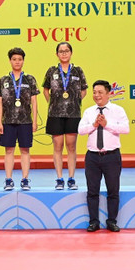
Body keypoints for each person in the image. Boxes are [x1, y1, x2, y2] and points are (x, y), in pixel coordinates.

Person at [79, 80, 129, 233]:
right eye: (94, 92)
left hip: (111, 156)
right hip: (93, 157)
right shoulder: (89, 111)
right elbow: (81, 130)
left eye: (100, 92)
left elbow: (126, 129)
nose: (96, 95)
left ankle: (112, 221)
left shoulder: (118, 110)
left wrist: (106, 124)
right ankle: (94, 222)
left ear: (108, 94)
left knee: (113, 191)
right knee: (92, 191)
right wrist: (93, 125)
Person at [42, 42, 87, 190]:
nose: (64, 53)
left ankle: (72, 178)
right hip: (55, 114)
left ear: (71, 53)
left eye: (66, 51)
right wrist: (54, 104)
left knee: (71, 146)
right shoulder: (51, 71)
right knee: (58, 147)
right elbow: (46, 90)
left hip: (73, 114)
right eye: (61, 51)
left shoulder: (78, 71)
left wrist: (73, 102)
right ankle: (60, 178)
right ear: (57, 54)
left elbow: (84, 90)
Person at [0, 47, 39, 191]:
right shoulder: (3, 80)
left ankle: (25, 179)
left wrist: (34, 120)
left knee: (25, 150)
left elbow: (34, 101)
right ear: (10, 61)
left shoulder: (30, 79)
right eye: (14, 59)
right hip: (8, 121)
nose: (17, 62)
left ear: (23, 61)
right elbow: (0, 102)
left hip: (25, 121)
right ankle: (8, 180)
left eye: (20, 59)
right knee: (9, 150)